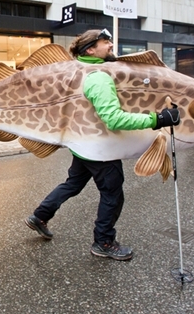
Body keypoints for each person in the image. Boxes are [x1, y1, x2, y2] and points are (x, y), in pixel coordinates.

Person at [24, 29, 180, 261]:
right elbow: (114, 118)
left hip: (84, 146)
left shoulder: (81, 70)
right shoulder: (98, 76)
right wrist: (158, 119)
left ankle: (40, 216)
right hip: (101, 151)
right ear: (90, 50)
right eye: (105, 42)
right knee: (112, 195)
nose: (110, 45)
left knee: (72, 184)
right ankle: (103, 241)